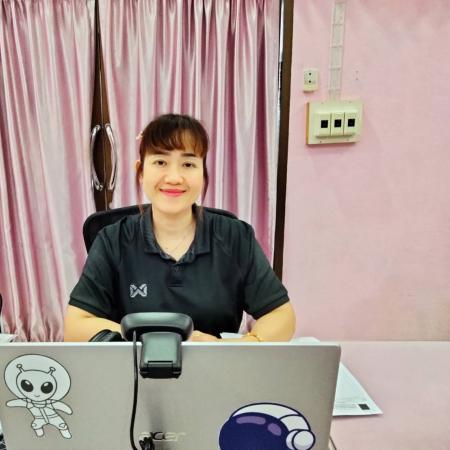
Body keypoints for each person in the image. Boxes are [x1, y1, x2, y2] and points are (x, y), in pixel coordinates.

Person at [64, 114, 295, 342]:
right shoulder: (112, 239)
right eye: (160, 162)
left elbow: (281, 315)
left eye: (188, 164)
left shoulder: (235, 237)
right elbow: (76, 325)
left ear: (203, 174)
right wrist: (156, 339)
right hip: (134, 364)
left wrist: (240, 346)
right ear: (141, 172)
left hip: (215, 364)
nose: (174, 178)